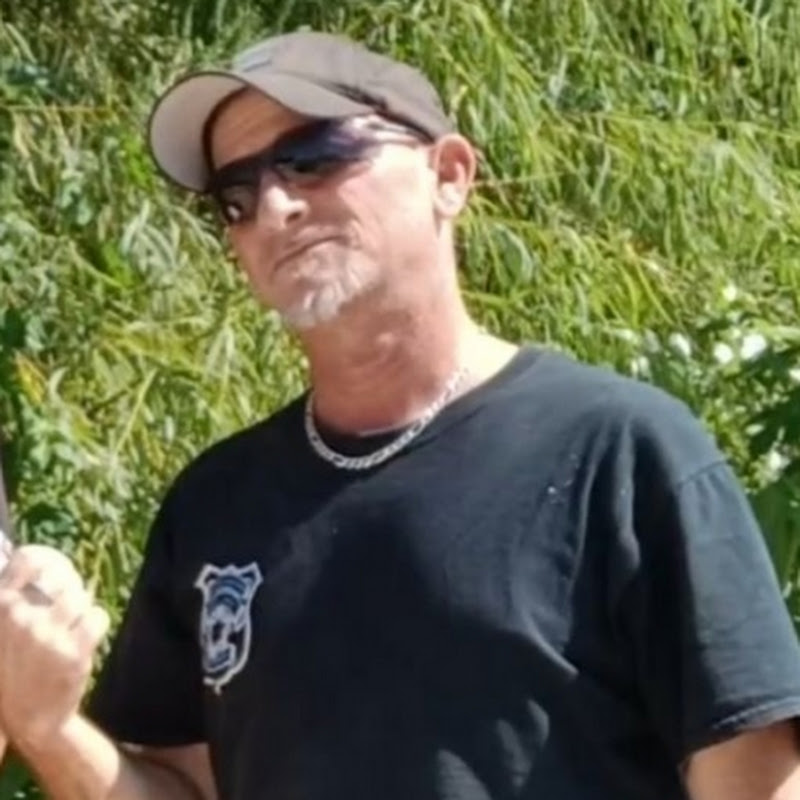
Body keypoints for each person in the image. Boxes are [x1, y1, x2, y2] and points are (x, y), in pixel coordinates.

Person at [0, 29, 799, 800]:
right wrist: (47, 726)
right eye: (233, 197)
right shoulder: (214, 503)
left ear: (449, 174)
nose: (273, 206)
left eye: (313, 157)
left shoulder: (618, 451)